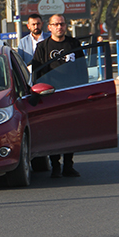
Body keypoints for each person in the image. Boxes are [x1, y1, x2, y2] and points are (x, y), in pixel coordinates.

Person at [32, 14, 88, 178]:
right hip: (51, 95)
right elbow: (37, 72)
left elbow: (82, 69)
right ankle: (55, 166)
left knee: (70, 132)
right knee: (54, 132)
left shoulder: (74, 44)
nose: (59, 27)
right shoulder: (43, 47)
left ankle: (68, 166)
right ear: (49, 27)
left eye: (62, 24)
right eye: (55, 24)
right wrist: (40, 91)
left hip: (71, 94)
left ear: (66, 26)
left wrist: (83, 91)